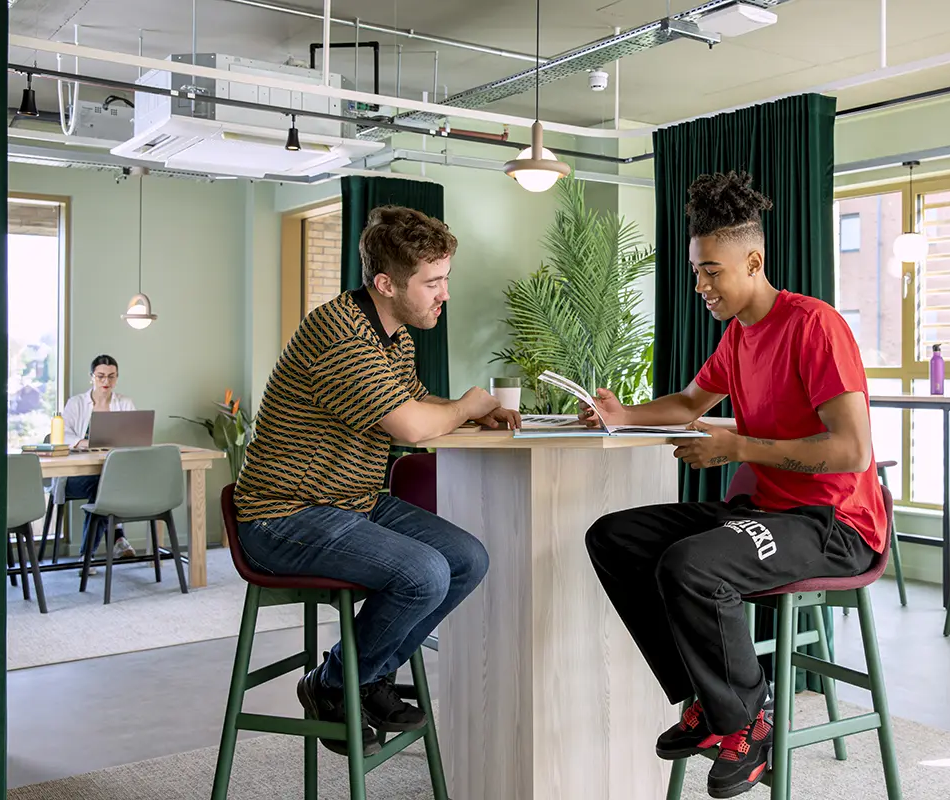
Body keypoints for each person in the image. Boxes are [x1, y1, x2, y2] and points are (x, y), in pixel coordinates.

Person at [581, 172, 886, 799]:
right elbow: (691, 400)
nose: (700, 285)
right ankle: (704, 699)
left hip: (834, 526)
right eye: (696, 272)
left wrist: (737, 446)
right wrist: (622, 413)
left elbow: (851, 452)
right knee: (615, 537)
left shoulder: (814, 326)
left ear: (754, 260)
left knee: (692, 565)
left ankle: (749, 723)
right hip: (766, 513)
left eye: (711, 271)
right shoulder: (739, 334)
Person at [233, 205, 515, 756]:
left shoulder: (393, 334)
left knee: (467, 559)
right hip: (283, 515)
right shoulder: (342, 335)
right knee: (424, 574)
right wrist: (467, 404)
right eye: (432, 282)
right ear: (386, 283)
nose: (444, 295)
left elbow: (412, 401)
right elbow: (411, 424)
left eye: (445, 280)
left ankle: (368, 676)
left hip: (350, 501)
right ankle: (335, 684)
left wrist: (465, 412)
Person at [59, 354, 138, 560]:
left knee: (106, 484)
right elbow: (62, 435)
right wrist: (85, 442)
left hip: (115, 474)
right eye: (101, 376)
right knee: (103, 486)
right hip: (75, 477)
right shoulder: (76, 403)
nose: (106, 382)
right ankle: (114, 540)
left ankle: (92, 553)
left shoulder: (125, 403)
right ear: (91, 377)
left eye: (111, 377)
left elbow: (136, 436)